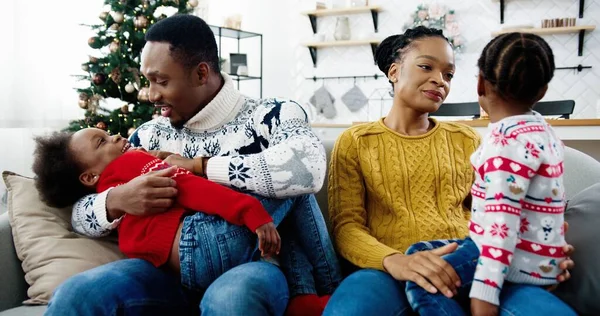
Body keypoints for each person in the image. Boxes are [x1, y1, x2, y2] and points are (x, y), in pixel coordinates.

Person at [45, 14, 340, 316]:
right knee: (76, 295)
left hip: (249, 264)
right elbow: (78, 213)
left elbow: (306, 170)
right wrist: (117, 201)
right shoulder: (147, 134)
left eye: (161, 81)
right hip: (161, 270)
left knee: (230, 301)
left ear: (201, 74)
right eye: (147, 81)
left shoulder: (274, 115)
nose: (150, 95)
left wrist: (201, 166)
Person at [324, 26, 576, 316]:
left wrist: (539, 254)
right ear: (394, 72)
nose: (439, 80)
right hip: (389, 271)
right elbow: (347, 228)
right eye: (426, 66)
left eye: (449, 74)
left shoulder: (466, 139)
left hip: (472, 262)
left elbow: (498, 211)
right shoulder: (356, 141)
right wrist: (396, 261)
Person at [402, 32, 574, 316]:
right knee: (419, 253)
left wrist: (484, 297)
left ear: (480, 82)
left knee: (423, 282)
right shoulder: (543, 131)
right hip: (541, 257)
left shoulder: (505, 145)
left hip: (505, 255)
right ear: (542, 92)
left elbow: (500, 228)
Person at [32, 128, 280, 272]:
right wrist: (115, 200)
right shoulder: (132, 157)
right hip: (198, 244)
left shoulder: (119, 169)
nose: (116, 136)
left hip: (175, 266)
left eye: (161, 80)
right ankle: (308, 290)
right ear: (88, 177)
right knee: (284, 187)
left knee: (288, 194)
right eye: (103, 141)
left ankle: (305, 293)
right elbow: (189, 187)